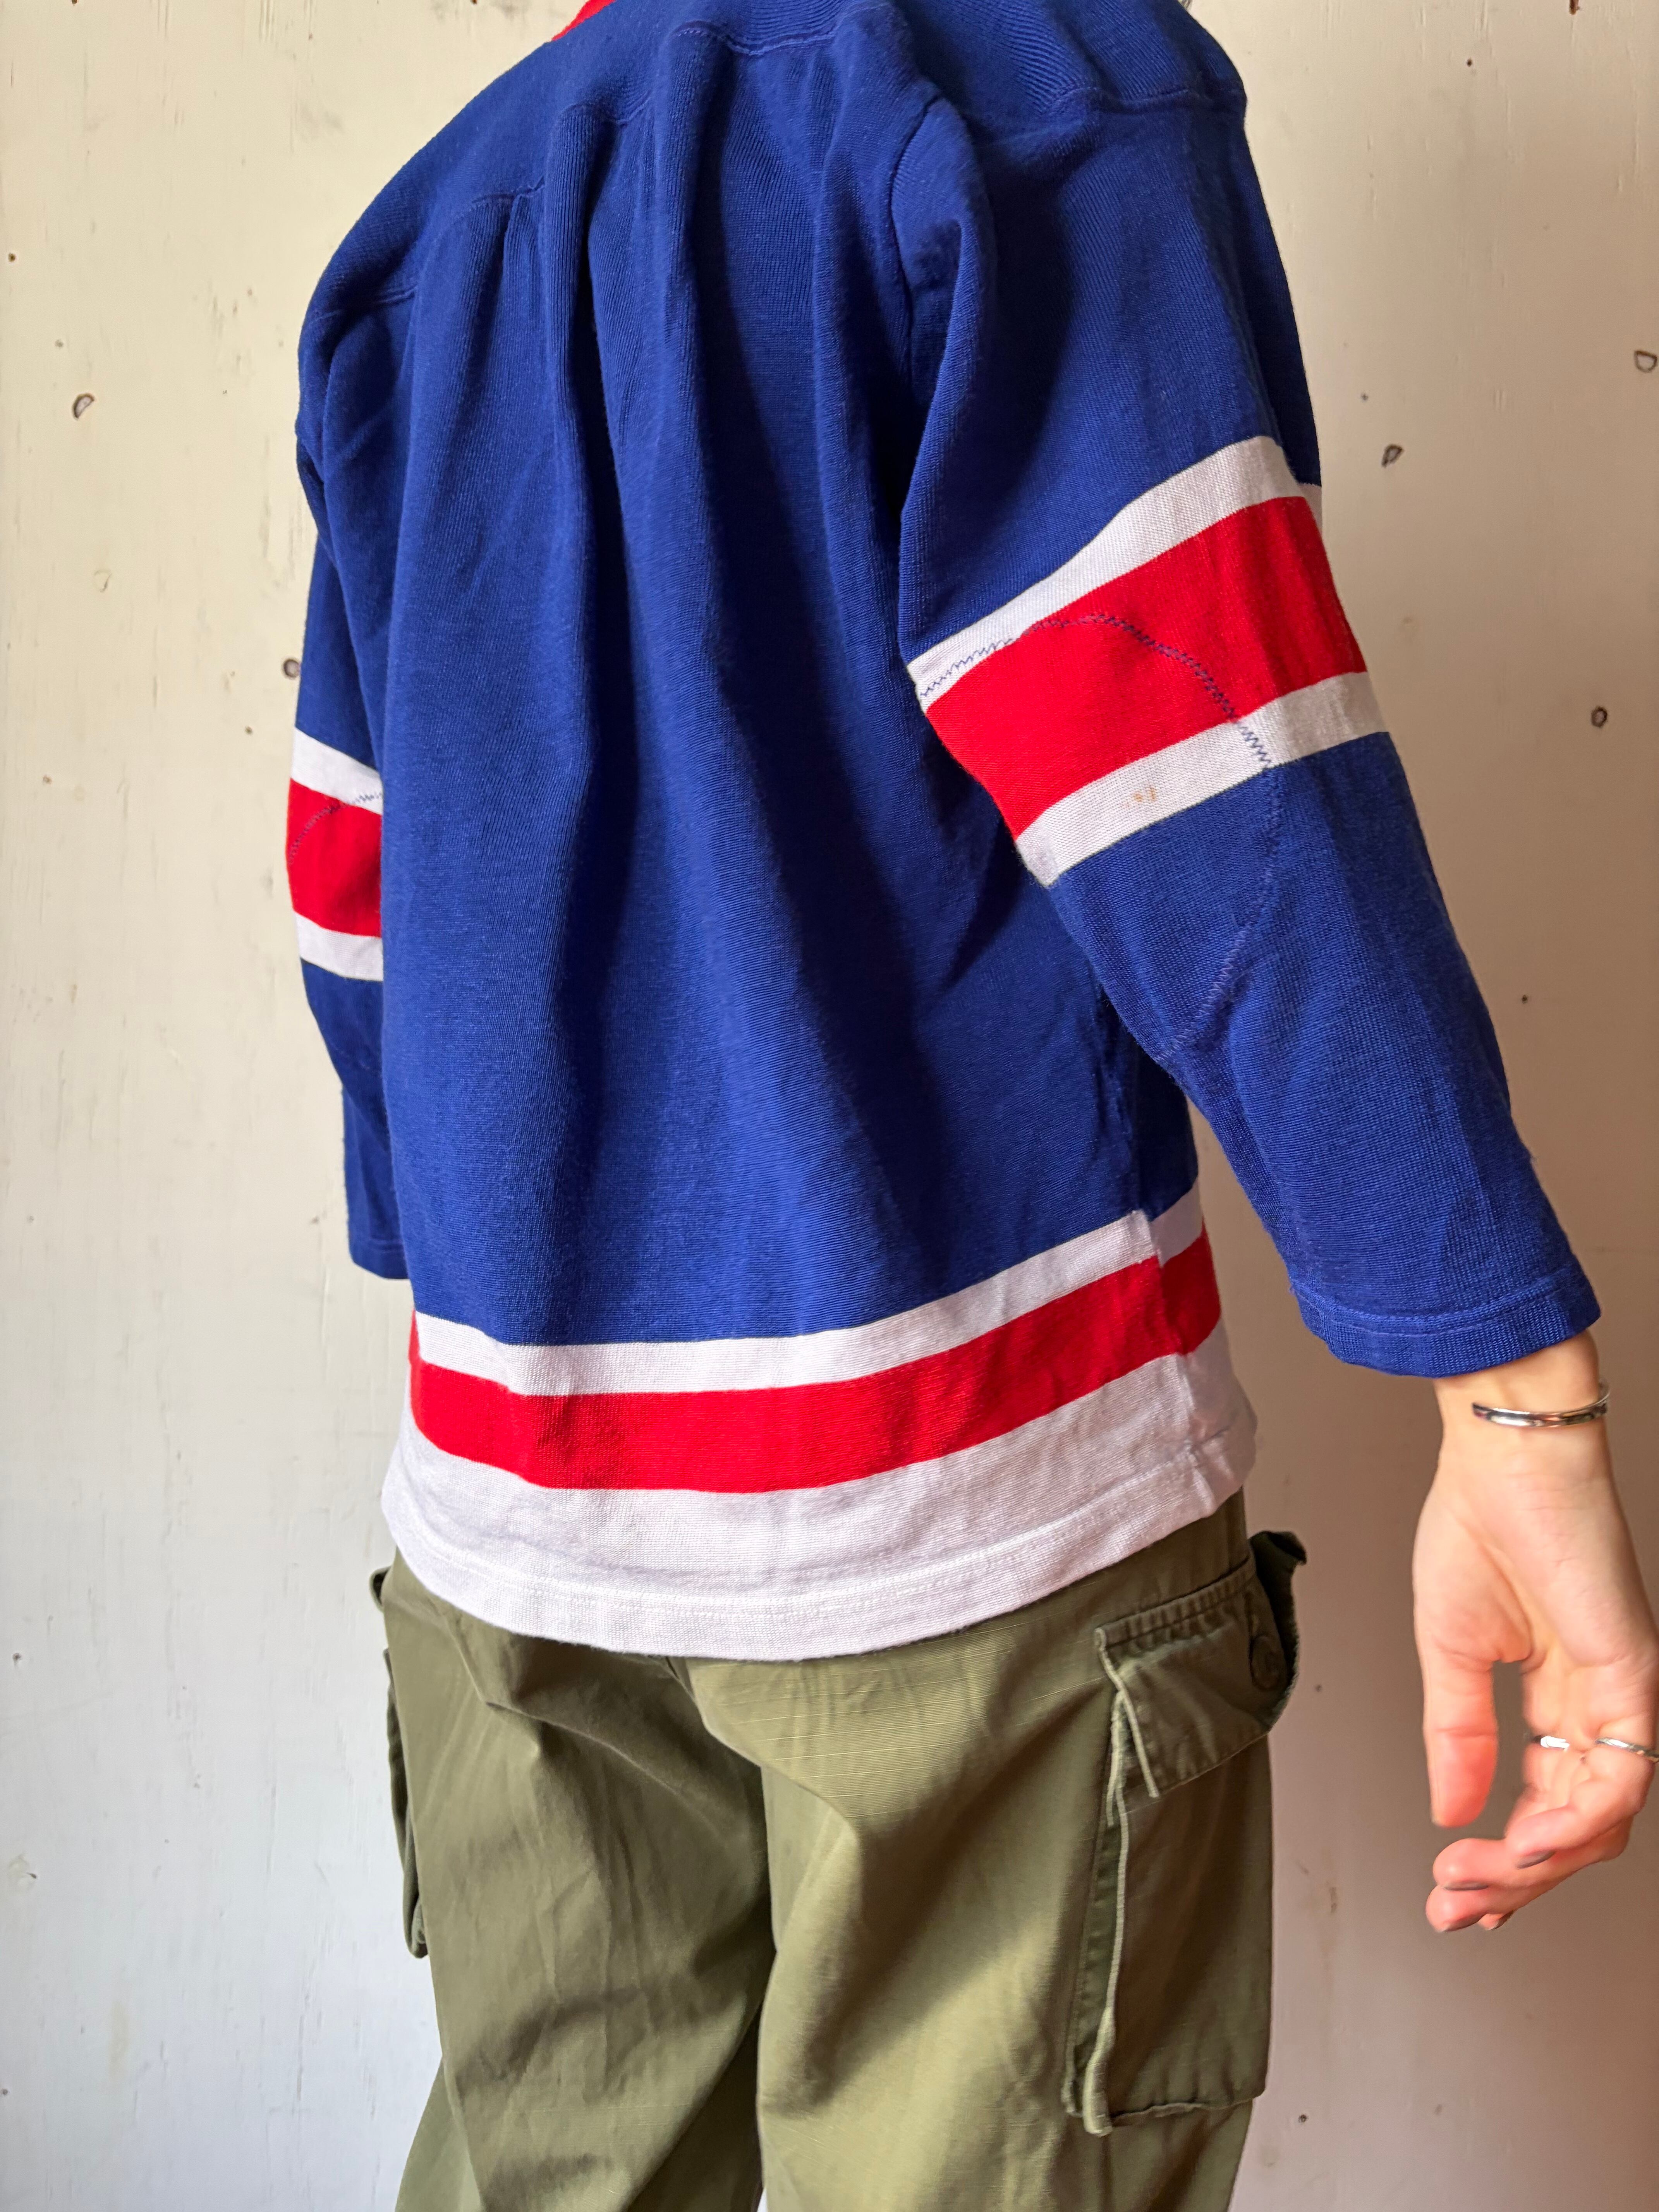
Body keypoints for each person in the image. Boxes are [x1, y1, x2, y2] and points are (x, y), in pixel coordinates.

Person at [283, 0, 1658, 2203]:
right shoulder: (1016, 84)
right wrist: (1509, 1390)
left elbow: (364, 889)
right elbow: (1204, 759)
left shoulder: (431, 234)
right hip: (966, 1508)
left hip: (513, 1510)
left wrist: (473, 1259)